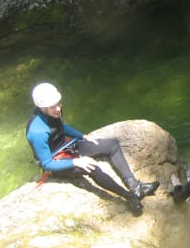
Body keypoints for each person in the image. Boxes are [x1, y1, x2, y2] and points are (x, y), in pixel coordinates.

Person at [26, 82, 159, 216]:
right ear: (42, 107)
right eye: (53, 106)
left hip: (68, 147)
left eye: (59, 103)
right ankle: (129, 197)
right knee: (91, 166)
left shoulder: (53, 112)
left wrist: (82, 136)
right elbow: (47, 163)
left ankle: (135, 187)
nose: (58, 108)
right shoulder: (37, 131)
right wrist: (76, 162)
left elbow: (61, 127)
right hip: (57, 161)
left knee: (111, 144)